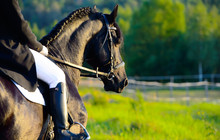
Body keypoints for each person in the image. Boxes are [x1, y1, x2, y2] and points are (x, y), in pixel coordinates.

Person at [0, 0, 77, 139]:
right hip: (7, 50)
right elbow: (19, 25)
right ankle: (62, 131)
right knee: (57, 75)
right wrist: (38, 47)